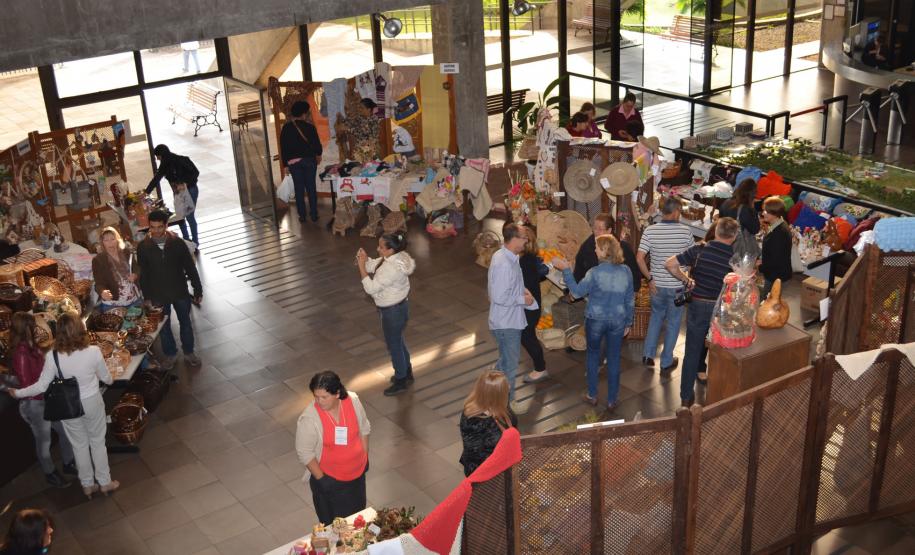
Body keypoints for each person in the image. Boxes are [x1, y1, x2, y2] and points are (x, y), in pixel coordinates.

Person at [8, 314, 118, 499]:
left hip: (69, 406)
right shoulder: (93, 351)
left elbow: (41, 386)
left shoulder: (53, 356)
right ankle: (105, 482)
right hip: (92, 402)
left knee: (79, 445)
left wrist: (18, 393)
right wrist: (109, 377)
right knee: (97, 443)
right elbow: (106, 378)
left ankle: (87, 485)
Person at [664, 217, 739, 406]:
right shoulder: (735, 259)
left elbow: (670, 264)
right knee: (720, 351)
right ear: (734, 236)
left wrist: (686, 280)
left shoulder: (699, 250)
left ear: (716, 230)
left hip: (697, 305)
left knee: (692, 351)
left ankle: (685, 398)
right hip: (720, 309)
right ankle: (721, 394)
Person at [554, 235, 634, 410]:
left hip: (595, 320)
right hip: (618, 321)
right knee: (613, 359)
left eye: (597, 247)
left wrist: (566, 270)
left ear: (605, 251)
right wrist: (629, 322)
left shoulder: (594, 273)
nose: (594, 250)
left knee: (592, 355)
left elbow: (575, 294)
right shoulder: (626, 271)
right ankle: (612, 400)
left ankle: (592, 394)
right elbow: (629, 299)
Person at [8, 313, 75, 488]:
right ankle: (50, 473)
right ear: (26, 329)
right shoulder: (21, 354)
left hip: (44, 399)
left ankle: (68, 463)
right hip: (35, 404)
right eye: (32, 325)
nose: (36, 328)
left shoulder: (30, 347)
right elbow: (28, 385)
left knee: (64, 431)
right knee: (43, 443)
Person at [295, 371, 371, 525]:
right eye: (316, 396)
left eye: (324, 397)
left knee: (356, 520)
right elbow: (305, 453)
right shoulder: (309, 419)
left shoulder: (353, 401)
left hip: (357, 477)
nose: (319, 401)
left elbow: (364, 428)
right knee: (335, 527)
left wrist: (364, 455)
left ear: (337, 393)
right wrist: (322, 479)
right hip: (331, 482)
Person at [137, 210, 203, 370]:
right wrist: (147, 297)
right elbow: (143, 274)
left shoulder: (177, 243)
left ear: (166, 225)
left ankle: (189, 352)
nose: (156, 231)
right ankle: (171, 354)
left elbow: (189, 267)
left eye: (160, 227)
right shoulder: (143, 247)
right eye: (153, 227)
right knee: (163, 327)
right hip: (158, 295)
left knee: (185, 323)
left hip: (179, 290)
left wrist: (197, 288)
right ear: (149, 226)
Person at [637, 197, 695, 372]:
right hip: (677, 286)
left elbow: (639, 258)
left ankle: (648, 355)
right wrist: (687, 277)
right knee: (673, 322)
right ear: (676, 211)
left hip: (657, 286)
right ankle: (666, 361)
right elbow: (692, 257)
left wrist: (650, 279)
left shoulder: (650, 231)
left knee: (656, 318)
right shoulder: (686, 232)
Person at [357, 232, 416, 396]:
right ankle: (406, 370)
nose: (378, 249)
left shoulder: (391, 269)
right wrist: (365, 259)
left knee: (394, 345)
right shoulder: (396, 257)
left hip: (392, 311)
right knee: (398, 339)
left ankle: (401, 380)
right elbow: (374, 265)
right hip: (400, 307)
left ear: (390, 250)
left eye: (381, 247)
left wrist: (361, 267)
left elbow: (371, 288)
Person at [488, 223, 538, 410]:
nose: (527, 240)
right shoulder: (503, 264)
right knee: (509, 366)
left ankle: (489, 390)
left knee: (505, 361)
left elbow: (509, 285)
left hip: (508, 320)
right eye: (524, 237)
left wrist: (523, 291)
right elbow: (499, 296)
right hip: (506, 323)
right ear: (514, 239)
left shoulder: (507, 257)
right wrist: (522, 300)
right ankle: (507, 404)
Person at [459, 371, 518, 477]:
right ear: (495, 395)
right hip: (485, 473)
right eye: (506, 386)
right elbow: (476, 455)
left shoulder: (501, 402)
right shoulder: (473, 420)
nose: (509, 386)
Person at [145, 144, 200, 245]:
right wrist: (146, 192)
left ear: (161, 155)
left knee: (189, 216)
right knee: (180, 216)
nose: (157, 159)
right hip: (179, 194)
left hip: (190, 191)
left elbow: (195, 173)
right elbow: (156, 179)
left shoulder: (182, 160)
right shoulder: (165, 165)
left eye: (158, 156)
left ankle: (194, 242)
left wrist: (185, 183)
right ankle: (187, 240)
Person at [280, 100, 323, 223]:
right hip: (309, 161)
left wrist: (285, 165)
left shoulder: (286, 128)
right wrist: (318, 154)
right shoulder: (310, 127)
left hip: (294, 163)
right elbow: (317, 145)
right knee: (311, 187)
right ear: (304, 114)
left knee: (299, 189)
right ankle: (314, 214)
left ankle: (302, 216)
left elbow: (284, 147)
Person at [574, 213, 640, 291]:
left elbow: (634, 277)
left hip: (618, 295)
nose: (596, 232)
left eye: (600, 229)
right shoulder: (587, 245)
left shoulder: (623, 248)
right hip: (592, 295)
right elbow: (578, 269)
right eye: (594, 228)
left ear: (609, 230)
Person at [519, 226, 549, 384]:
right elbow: (539, 277)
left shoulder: (525, 261)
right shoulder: (529, 258)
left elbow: (528, 281)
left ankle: (540, 368)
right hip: (530, 304)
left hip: (529, 306)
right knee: (527, 335)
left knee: (527, 336)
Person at [92, 226, 141, 312]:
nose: (110, 243)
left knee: (140, 324)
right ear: (102, 243)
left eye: (112, 239)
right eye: (106, 240)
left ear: (117, 239)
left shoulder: (126, 252)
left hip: (134, 299)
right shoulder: (98, 260)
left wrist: (135, 275)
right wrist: (102, 292)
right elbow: (98, 283)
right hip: (113, 304)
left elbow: (136, 268)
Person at [759, 196, 793, 300]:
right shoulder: (779, 225)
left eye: (766, 211)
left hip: (775, 276)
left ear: (775, 214)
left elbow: (775, 259)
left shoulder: (779, 233)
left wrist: (761, 267)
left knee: (767, 303)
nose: (763, 213)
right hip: (776, 274)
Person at [348, 98, 382, 163]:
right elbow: (350, 124)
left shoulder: (374, 120)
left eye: (361, 108)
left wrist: (350, 129)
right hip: (360, 149)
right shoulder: (359, 118)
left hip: (370, 149)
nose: (359, 109)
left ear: (368, 109)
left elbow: (371, 138)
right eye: (359, 107)